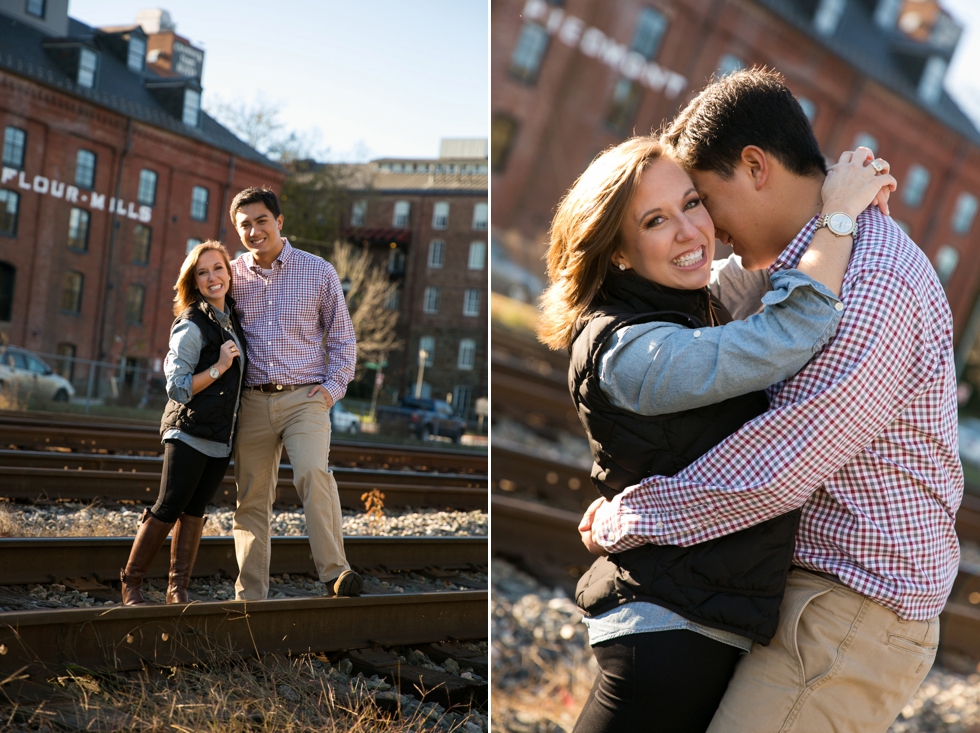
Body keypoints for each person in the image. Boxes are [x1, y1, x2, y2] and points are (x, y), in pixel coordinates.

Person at [584, 68, 963, 733]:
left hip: (854, 610)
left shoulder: (870, 286)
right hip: (811, 591)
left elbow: (775, 468)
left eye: (702, 198)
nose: (706, 226)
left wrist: (633, 515)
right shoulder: (810, 257)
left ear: (755, 167)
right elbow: (715, 295)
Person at [538, 131, 892, 732]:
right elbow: (788, 330)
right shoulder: (633, 350)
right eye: (655, 220)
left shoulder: (691, 300)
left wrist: (840, 179)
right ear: (618, 250)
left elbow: (771, 258)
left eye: (692, 203)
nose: (689, 232)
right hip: (669, 632)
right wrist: (835, 215)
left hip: (697, 618)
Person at [228, 186, 361, 600]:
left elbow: (343, 340)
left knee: (312, 474)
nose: (254, 231)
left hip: (306, 399)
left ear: (279, 222)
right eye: (244, 224)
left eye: (261, 220)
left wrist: (330, 390)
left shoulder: (317, 271)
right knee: (250, 497)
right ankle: (250, 595)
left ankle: (336, 574)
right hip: (252, 400)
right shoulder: (230, 276)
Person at [120, 241, 247, 605]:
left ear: (229, 272)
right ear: (194, 281)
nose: (212, 277)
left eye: (218, 268)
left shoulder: (232, 319)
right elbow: (177, 387)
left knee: (194, 512)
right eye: (203, 272)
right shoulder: (192, 324)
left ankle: (178, 589)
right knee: (169, 506)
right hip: (188, 432)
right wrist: (218, 367)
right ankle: (131, 583)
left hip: (221, 438)